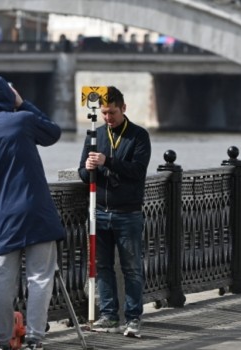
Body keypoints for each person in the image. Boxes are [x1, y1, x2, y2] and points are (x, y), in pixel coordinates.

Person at [0, 75, 66, 350]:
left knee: (3, 280)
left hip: (3, 218)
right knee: (40, 277)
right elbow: (53, 133)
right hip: (37, 212)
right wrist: (23, 103)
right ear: (8, 96)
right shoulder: (23, 121)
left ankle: (3, 341)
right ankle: (34, 340)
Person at [78, 86, 151, 338]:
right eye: (104, 113)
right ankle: (109, 316)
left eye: (112, 112)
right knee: (102, 267)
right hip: (99, 211)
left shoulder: (138, 136)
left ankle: (133, 319)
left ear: (124, 109)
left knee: (131, 268)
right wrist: (88, 167)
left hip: (127, 212)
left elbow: (137, 171)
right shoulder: (95, 135)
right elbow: (81, 173)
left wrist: (107, 161)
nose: (108, 117)